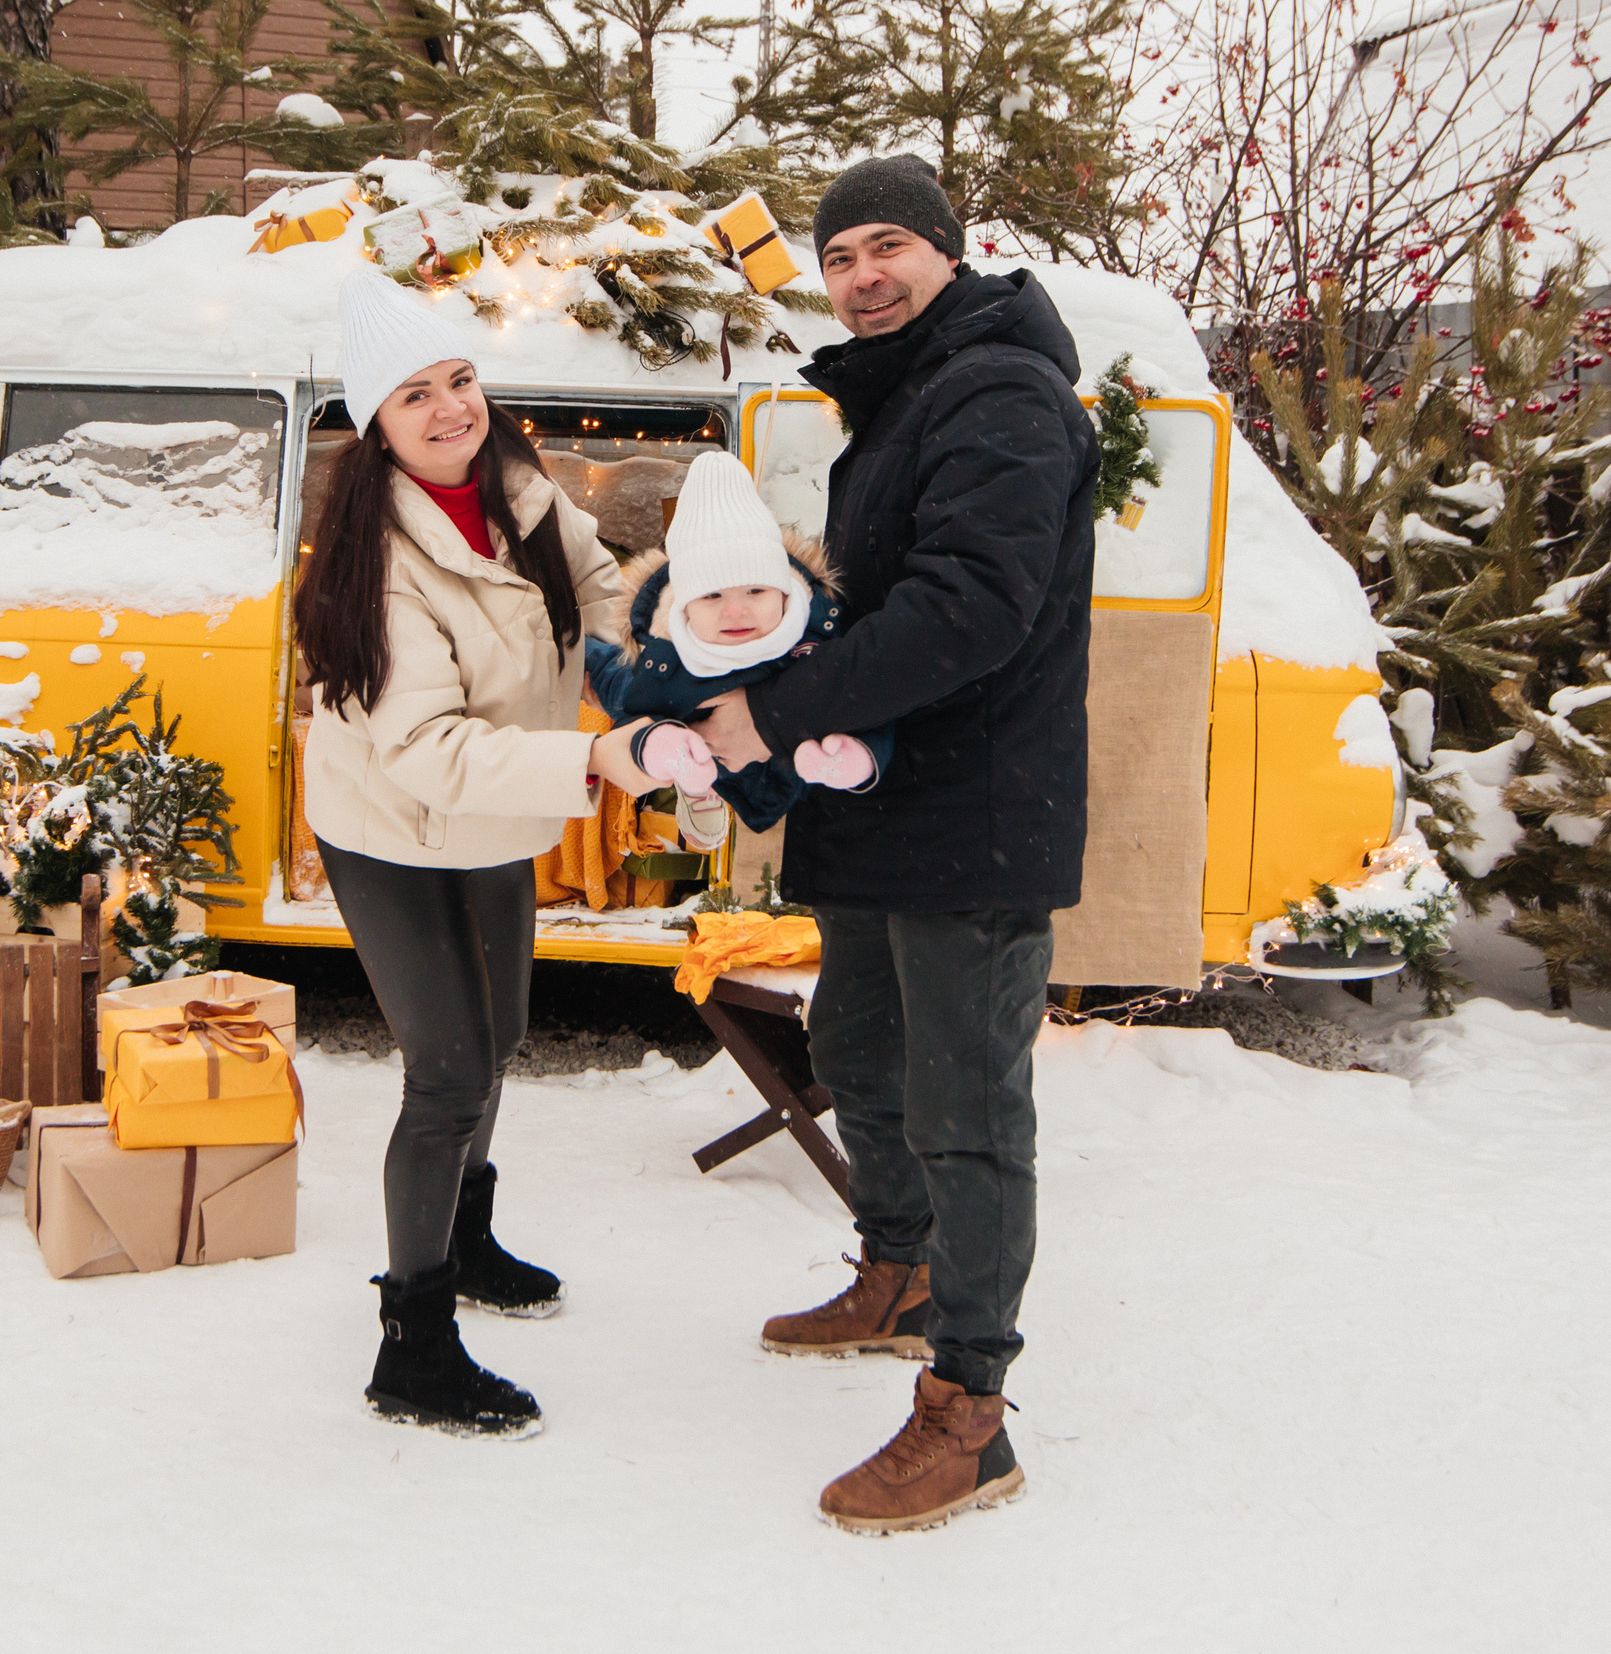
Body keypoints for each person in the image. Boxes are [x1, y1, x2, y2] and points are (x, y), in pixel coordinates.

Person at [691, 155, 1100, 1531]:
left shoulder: (999, 392)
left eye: (887, 246)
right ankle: (899, 1266)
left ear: (945, 249)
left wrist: (777, 709)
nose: (862, 275)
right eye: (841, 255)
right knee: (859, 1051)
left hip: (973, 818)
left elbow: (970, 608)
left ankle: (969, 1410)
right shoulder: (906, 392)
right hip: (879, 804)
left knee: (967, 1108)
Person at [294, 270, 668, 1438]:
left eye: (460, 378)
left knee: (500, 1036)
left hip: (494, 812)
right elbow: (423, 748)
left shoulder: (516, 486)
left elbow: (598, 587)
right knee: (448, 1070)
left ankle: (468, 1234)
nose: (452, 406)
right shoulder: (386, 557)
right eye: (416, 394)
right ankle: (413, 1344)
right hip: (396, 825)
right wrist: (598, 767)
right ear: (377, 422)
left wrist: (661, 660)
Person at [583, 449, 890, 849]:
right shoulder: (670, 656)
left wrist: (865, 747)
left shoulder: (818, 636)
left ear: (783, 591)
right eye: (712, 595)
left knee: (864, 711)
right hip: (716, 764)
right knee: (661, 730)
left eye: (756, 590)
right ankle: (695, 782)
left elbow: (868, 693)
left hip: (816, 784)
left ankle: (850, 760)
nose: (736, 610)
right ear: (686, 607)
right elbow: (627, 697)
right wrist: (650, 740)